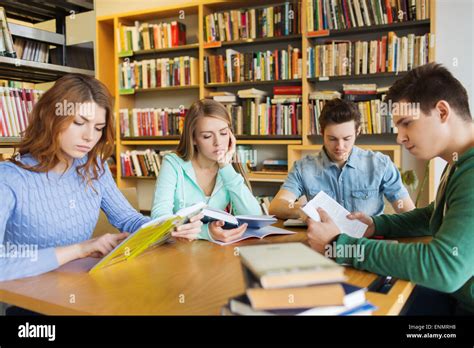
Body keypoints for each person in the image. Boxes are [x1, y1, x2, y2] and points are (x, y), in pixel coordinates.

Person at [306, 63, 473, 315]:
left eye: (406, 123)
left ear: (441, 111)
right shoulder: (459, 162)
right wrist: (377, 225)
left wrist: (339, 244)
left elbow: (444, 267)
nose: (400, 137)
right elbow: (434, 213)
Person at [0, 74, 151, 282]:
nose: (90, 136)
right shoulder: (8, 178)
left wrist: (168, 228)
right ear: (51, 117)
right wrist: (79, 249)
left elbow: (129, 220)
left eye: (98, 128)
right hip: (28, 298)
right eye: (80, 122)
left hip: (79, 287)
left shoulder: (94, 167)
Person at [269, 98, 415, 219]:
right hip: (321, 244)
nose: (340, 146)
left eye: (347, 138)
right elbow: (277, 205)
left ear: (358, 131)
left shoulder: (380, 165)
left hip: (368, 244)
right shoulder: (303, 168)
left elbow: (408, 212)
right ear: (322, 132)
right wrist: (302, 210)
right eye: (332, 138)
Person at [151, 99, 262, 244]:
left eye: (223, 133)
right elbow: (160, 219)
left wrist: (225, 167)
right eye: (207, 136)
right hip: (179, 252)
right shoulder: (173, 164)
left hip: (217, 255)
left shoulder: (229, 167)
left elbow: (254, 217)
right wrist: (206, 232)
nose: (218, 142)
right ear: (194, 139)